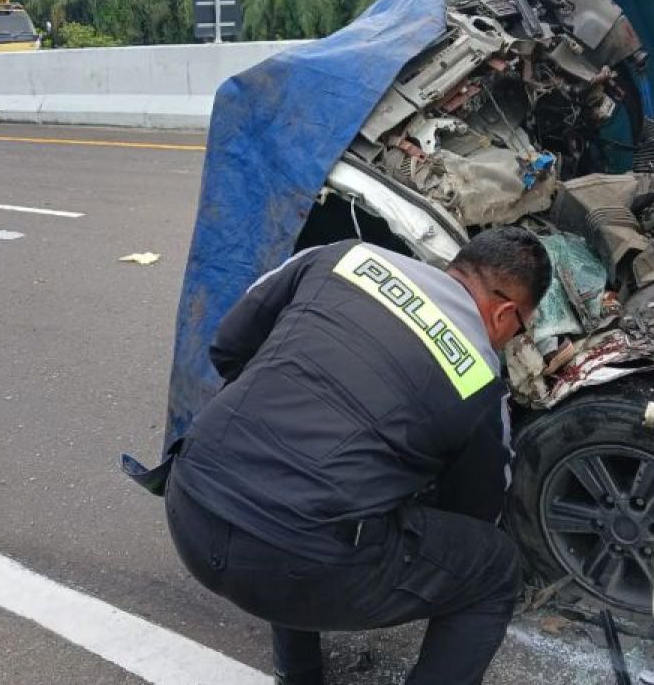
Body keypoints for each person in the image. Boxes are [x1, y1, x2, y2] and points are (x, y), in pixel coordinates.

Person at [164, 227, 552, 684]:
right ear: (506, 313)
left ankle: (298, 674)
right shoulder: (480, 379)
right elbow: (473, 513)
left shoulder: (342, 256)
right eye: (522, 329)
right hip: (293, 568)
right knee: (495, 569)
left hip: (190, 502)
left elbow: (228, 348)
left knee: (299, 469)